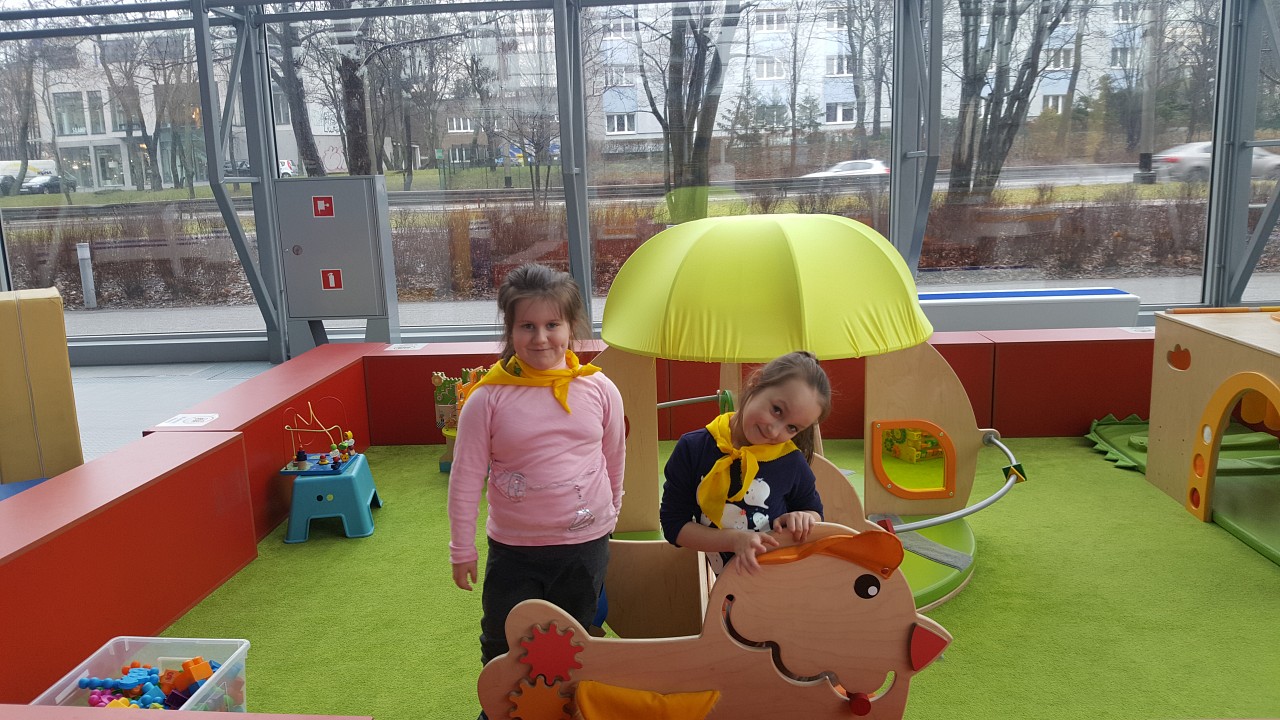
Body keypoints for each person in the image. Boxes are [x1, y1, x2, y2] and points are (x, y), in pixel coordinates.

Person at [447, 264, 626, 695]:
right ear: (510, 330)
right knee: (503, 641)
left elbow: (614, 455)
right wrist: (461, 548)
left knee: (575, 639)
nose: (541, 338)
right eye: (527, 326)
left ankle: (564, 707)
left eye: (552, 325)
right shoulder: (487, 398)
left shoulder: (600, 388)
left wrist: (612, 512)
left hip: (584, 545)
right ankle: (500, 708)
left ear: (571, 327)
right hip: (516, 549)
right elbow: (466, 477)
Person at [659, 351, 832, 575]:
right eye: (777, 410)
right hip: (726, 586)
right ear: (755, 382)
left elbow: (815, 514)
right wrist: (733, 540)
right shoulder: (693, 448)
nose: (774, 431)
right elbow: (673, 525)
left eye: (792, 428)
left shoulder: (791, 461)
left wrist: (804, 518)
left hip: (782, 581)